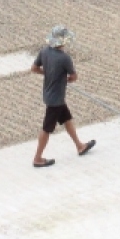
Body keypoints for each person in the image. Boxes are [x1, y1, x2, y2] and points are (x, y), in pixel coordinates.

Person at [31, 25, 95, 168]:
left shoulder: (44, 51)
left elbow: (34, 68)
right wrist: (64, 79)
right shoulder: (64, 58)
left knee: (67, 119)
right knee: (47, 128)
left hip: (49, 94)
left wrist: (47, 74)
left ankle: (80, 145)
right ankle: (37, 158)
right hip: (56, 99)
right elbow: (73, 77)